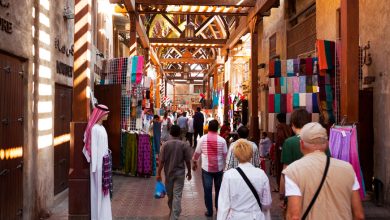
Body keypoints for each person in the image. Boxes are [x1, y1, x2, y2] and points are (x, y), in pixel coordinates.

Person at [283, 122, 365, 220]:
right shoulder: (348, 169)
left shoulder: (293, 171)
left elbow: (294, 216)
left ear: (301, 144)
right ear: (327, 144)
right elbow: (359, 215)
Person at [218, 139, 272, 220]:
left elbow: (223, 205)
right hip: (256, 216)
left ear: (236, 156)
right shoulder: (261, 174)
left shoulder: (228, 175)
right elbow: (267, 203)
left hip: (236, 217)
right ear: (251, 155)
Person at [192, 120, 228, 217]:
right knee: (219, 190)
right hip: (219, 169)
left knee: (207, 191)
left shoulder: (202, 139)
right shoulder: (222, 140)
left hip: (206, 169)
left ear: (208, 128)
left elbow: (197, 153)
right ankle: (218, 209)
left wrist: (194, 162)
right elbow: (226, 156)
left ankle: (209, 211)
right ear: (217, 128)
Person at [83, 104, 112, 220]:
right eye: (106, 113)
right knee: (98, 192)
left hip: (104, 165)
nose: (108, 115)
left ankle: (105, 216)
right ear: (101, 114)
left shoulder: (102, 128)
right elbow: (94, 148)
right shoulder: (95, 129)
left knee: (104, 192)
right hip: (98, 166)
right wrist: (94, 168)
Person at [156, 125, 192, 220]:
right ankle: (174, 212)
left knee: (172, 195)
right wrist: (189, 172)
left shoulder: (165, 145)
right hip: (180, 174)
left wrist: (158, 173)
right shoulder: (184, 145)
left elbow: (161, 162)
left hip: (169, 174)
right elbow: (188, 160)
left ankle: (174, 216)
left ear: (170, 133)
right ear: (179, 133)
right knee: (175, 196)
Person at [274, 113, 292, 192]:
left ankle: (280, 187)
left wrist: (280, 147)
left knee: (280, 168)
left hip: (281, 150)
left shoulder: (280, 126)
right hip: (288, 148)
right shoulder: (288, 126)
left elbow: (280, 138)